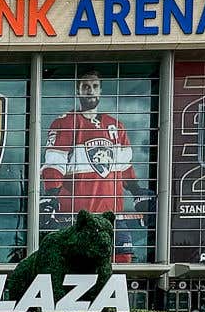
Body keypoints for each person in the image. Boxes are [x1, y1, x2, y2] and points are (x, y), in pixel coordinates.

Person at [40, 69, 156, 262]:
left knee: (123, 261)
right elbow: (53, 165)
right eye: (85, 86)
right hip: (76, 217)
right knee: (78, 266)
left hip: (112, 216)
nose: (90, 90)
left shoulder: (115, 125)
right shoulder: (65, 123)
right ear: (78, 91)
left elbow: (123, 167)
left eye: (94, 86)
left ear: (100, 91)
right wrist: (50, 196)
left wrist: (136, 190)